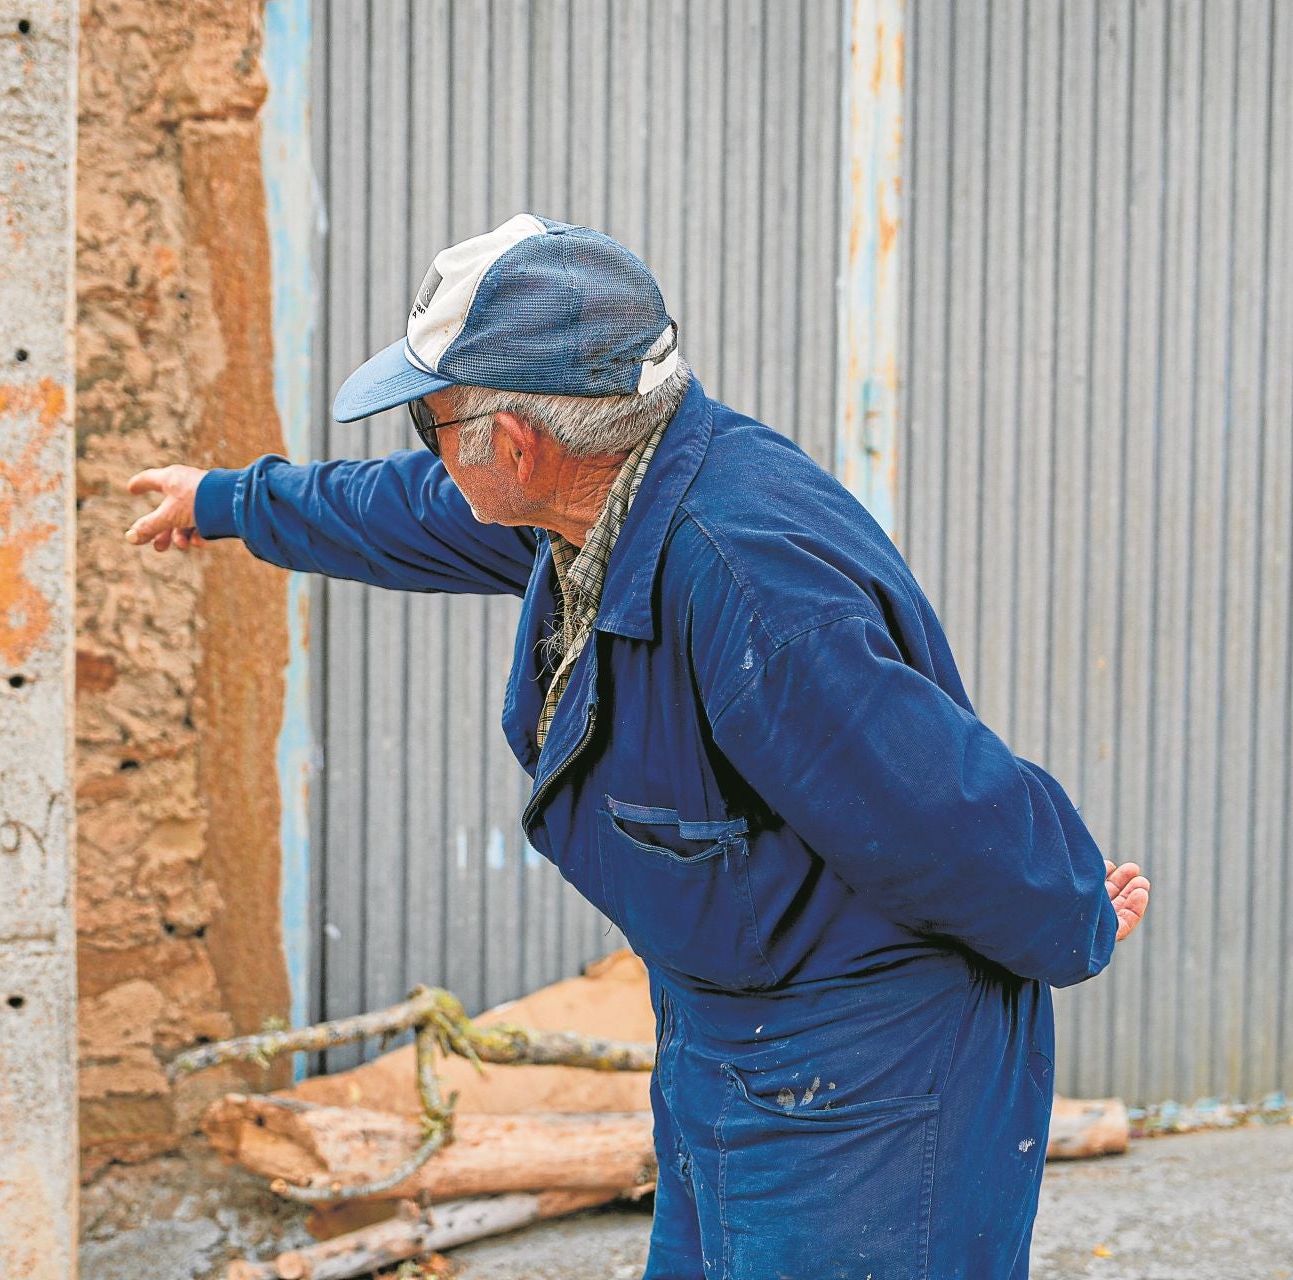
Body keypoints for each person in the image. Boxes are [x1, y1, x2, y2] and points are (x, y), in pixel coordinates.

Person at [125, 214, 1152, 1278]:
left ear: (519, 443)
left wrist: (1074, 906)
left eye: (430, 422)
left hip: (869, 1083)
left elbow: (941, 804)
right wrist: (229, 501)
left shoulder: (752, 584)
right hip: (732, 1033)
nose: (425, 448)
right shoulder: (596, 490)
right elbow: (417, 506)